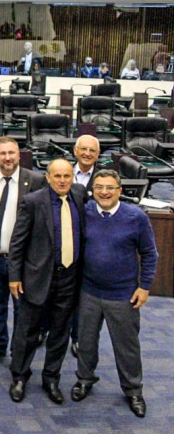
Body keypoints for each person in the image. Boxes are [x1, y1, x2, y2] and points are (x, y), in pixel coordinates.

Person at [71, 170, 157, 418]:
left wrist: (145, 286)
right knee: (85, 342)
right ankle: (85, 379)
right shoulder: (85, 212)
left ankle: (133, 390)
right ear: (93, 190)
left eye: (110, 187)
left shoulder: (135, 217)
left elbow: (150, 254)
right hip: (88, 291)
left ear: (120, 190)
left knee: (126, 347)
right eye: (99, 187)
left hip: (123, 295)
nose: (104, 192)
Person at [7, 158, 87, 405]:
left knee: (60, 333)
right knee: (27, 332)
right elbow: (18, 243)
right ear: (49, 177)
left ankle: (51, 377)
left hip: (69, 278)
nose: (63, 180)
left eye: (67, 176)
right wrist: (14, 277)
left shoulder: (79, 195)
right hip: (38, 277)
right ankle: (20, 376)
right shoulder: (33, 201)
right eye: (58, 176)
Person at [0, 137, 46, 364]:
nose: (7, 158)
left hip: (23, 260)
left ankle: (19, 350)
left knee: (21, 309)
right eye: (3, 153)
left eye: (12, 153)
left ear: (19, 155)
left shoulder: (35, 180)